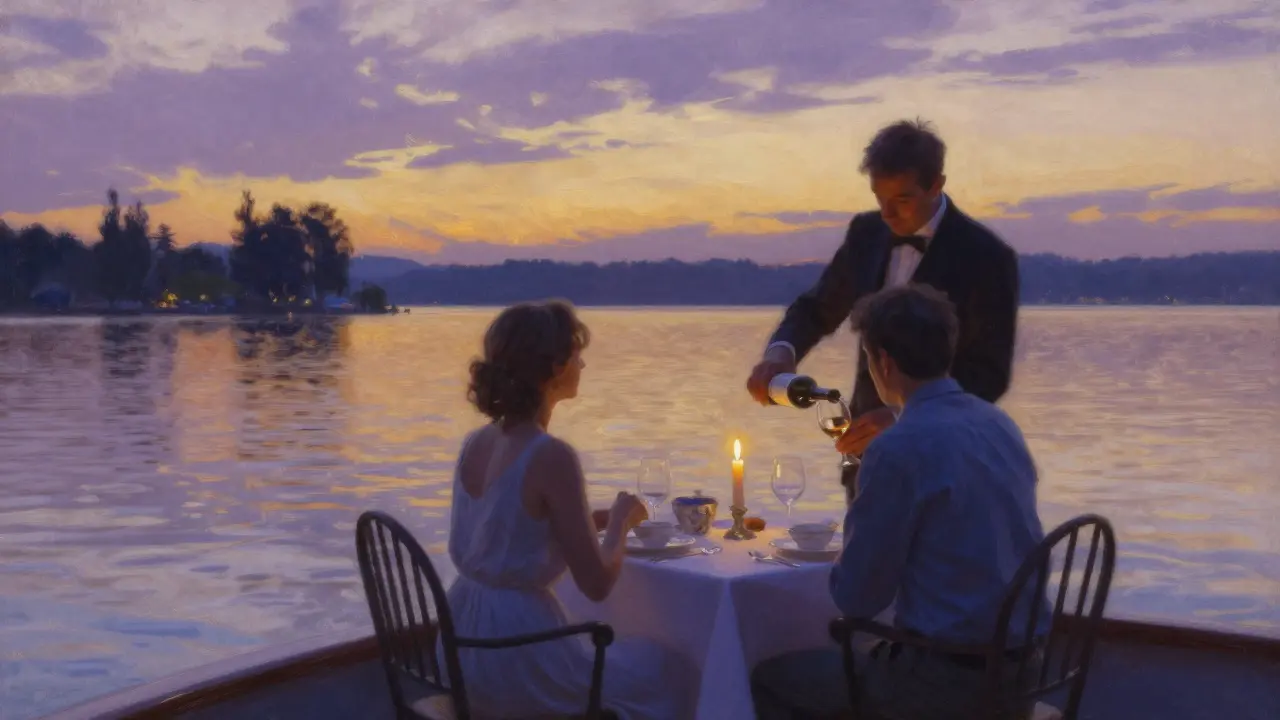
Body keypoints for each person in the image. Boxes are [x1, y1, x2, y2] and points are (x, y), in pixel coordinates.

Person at [750, 284, 1050, 720]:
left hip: (947, 686)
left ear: (883, 362)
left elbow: (857, 599)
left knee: (774, 678)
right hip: (1023, 676)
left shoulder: (899, 447)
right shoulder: (998, 423)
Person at [745, 118, 1020, 502]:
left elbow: (990, 376)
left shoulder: (987, 258)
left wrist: (907, 420)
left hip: (944, 463)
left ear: (936, 184)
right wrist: (780, 353)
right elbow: (817, 308)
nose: (888, 214)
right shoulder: (866, 233)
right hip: (865, 459)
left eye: (902, 200)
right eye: (879, 197)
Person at [442, 300, 690, 719]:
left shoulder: (475, 443)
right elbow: (595, 584)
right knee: (666, 666)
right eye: (577, 355)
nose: (583, 365)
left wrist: (589, 520)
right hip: (517, 656)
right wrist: (621, 522)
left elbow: (508, 526)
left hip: (462, 645)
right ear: (556, 367)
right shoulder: (551, 456)